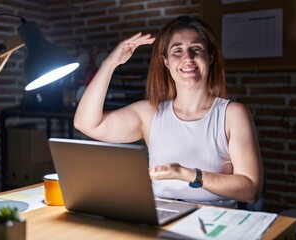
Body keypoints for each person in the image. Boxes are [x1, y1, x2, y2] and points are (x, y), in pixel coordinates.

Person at [74, 15, 263, 208]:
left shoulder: (233, 114)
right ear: (166, 61)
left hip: (216, 220)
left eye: (196, 49)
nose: (188, 58)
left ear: (210, 57)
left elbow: (251, 190)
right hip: (161, 217)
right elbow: (86, 124)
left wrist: (185, 174)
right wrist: (109, 63)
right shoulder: (149, 113)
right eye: (177, 51)